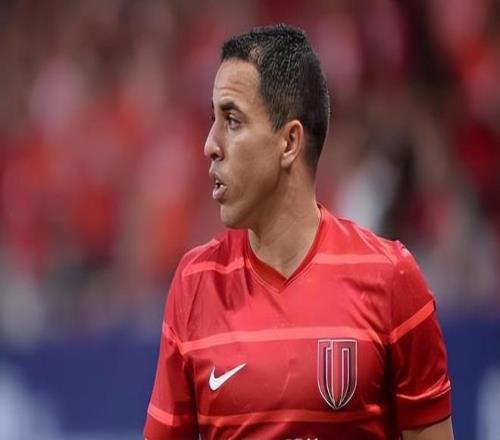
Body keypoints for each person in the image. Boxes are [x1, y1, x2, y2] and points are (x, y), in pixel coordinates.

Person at [143, 24, 454, 440]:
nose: (210, 144)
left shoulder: (391, 278)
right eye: (212, 119)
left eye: (232, 120)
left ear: (289, 142)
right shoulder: (194, 283)